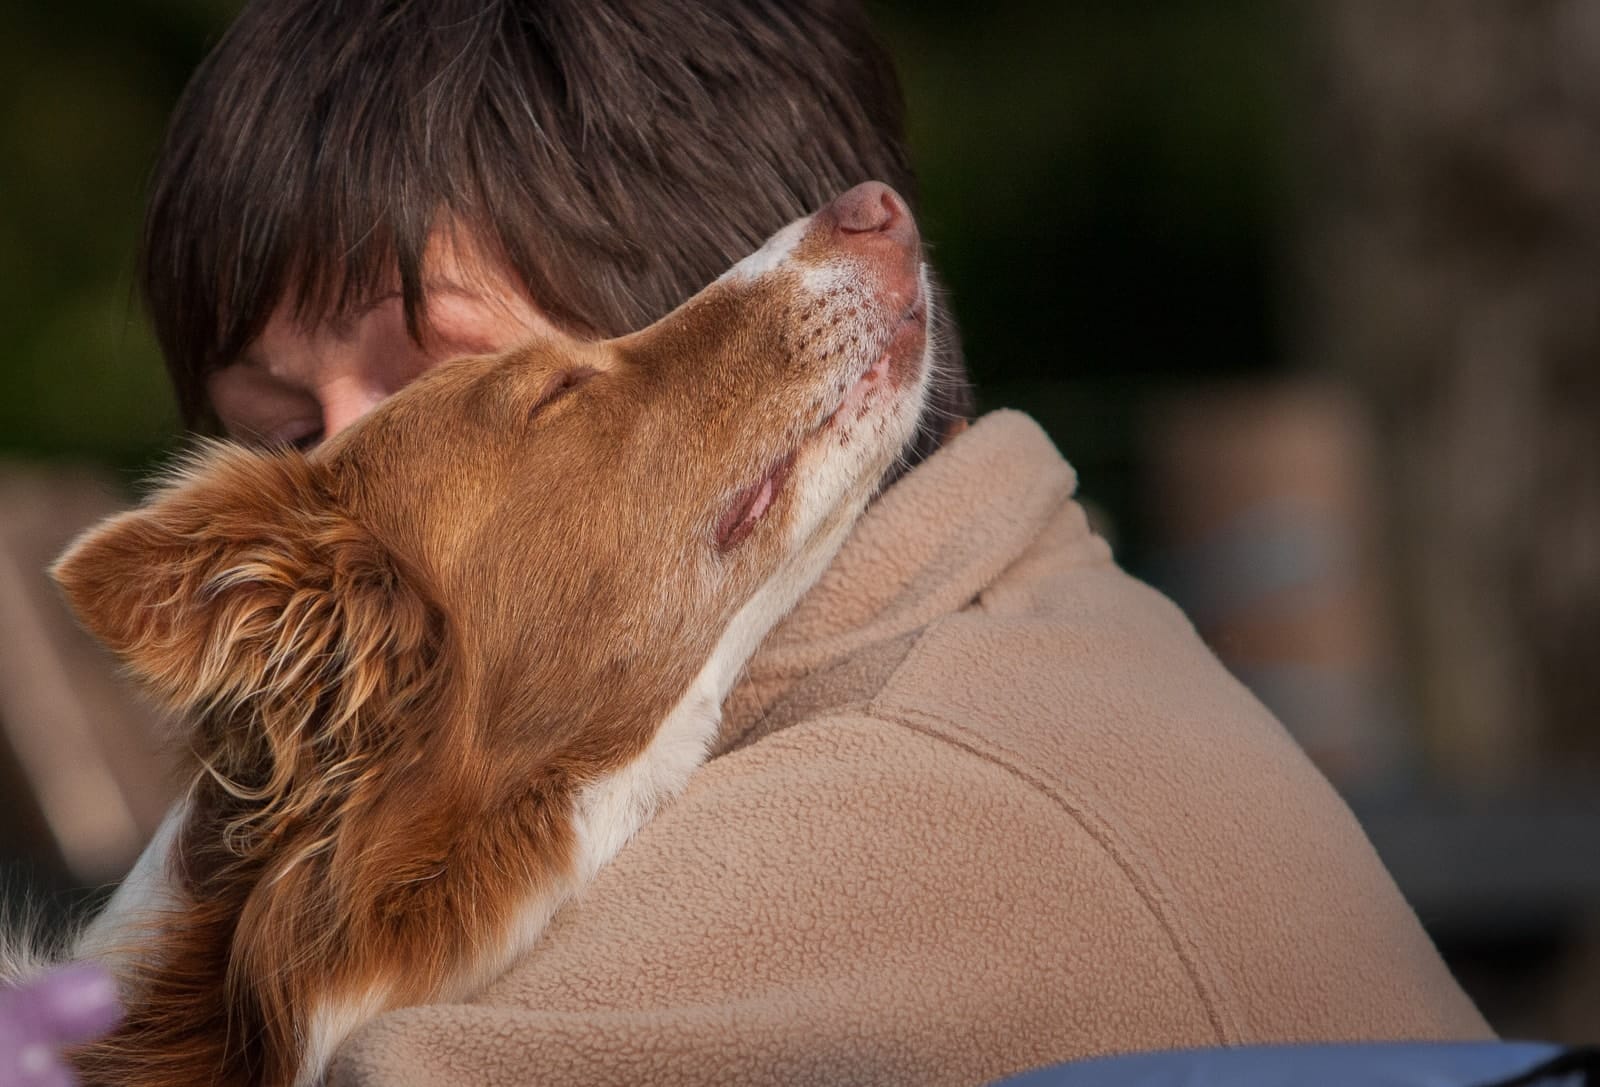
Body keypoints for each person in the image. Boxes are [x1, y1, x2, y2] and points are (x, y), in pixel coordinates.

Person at [135, 1, 1490, 1084]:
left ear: (724, 299)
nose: (356, 489)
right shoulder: (1002, 630)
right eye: (288, 438)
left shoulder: (911, 795)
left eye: (445, 392)